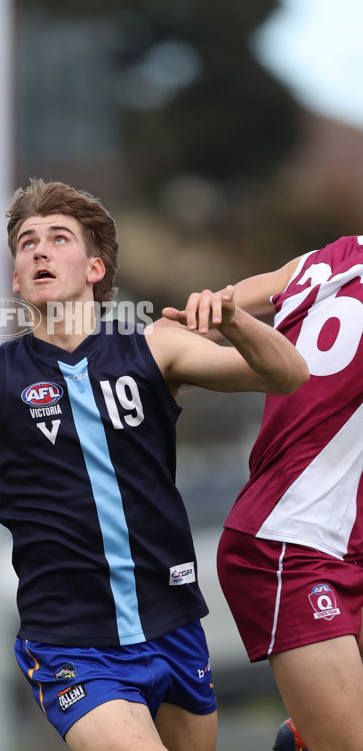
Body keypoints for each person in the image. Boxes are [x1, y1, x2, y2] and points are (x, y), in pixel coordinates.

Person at [0, 180, 308, 751]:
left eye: (59, 239)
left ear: (95, 268)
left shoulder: (156, 347)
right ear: (15, 278)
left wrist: (236, 321)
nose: (39, 250)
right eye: (27, 243)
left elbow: (288, 376)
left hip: (174, 623)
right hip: (73, 646)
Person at [162, 234, 363, 751]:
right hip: (291, 542)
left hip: (340, 542)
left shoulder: (332, 258)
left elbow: (218, 306)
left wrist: (195, 316)